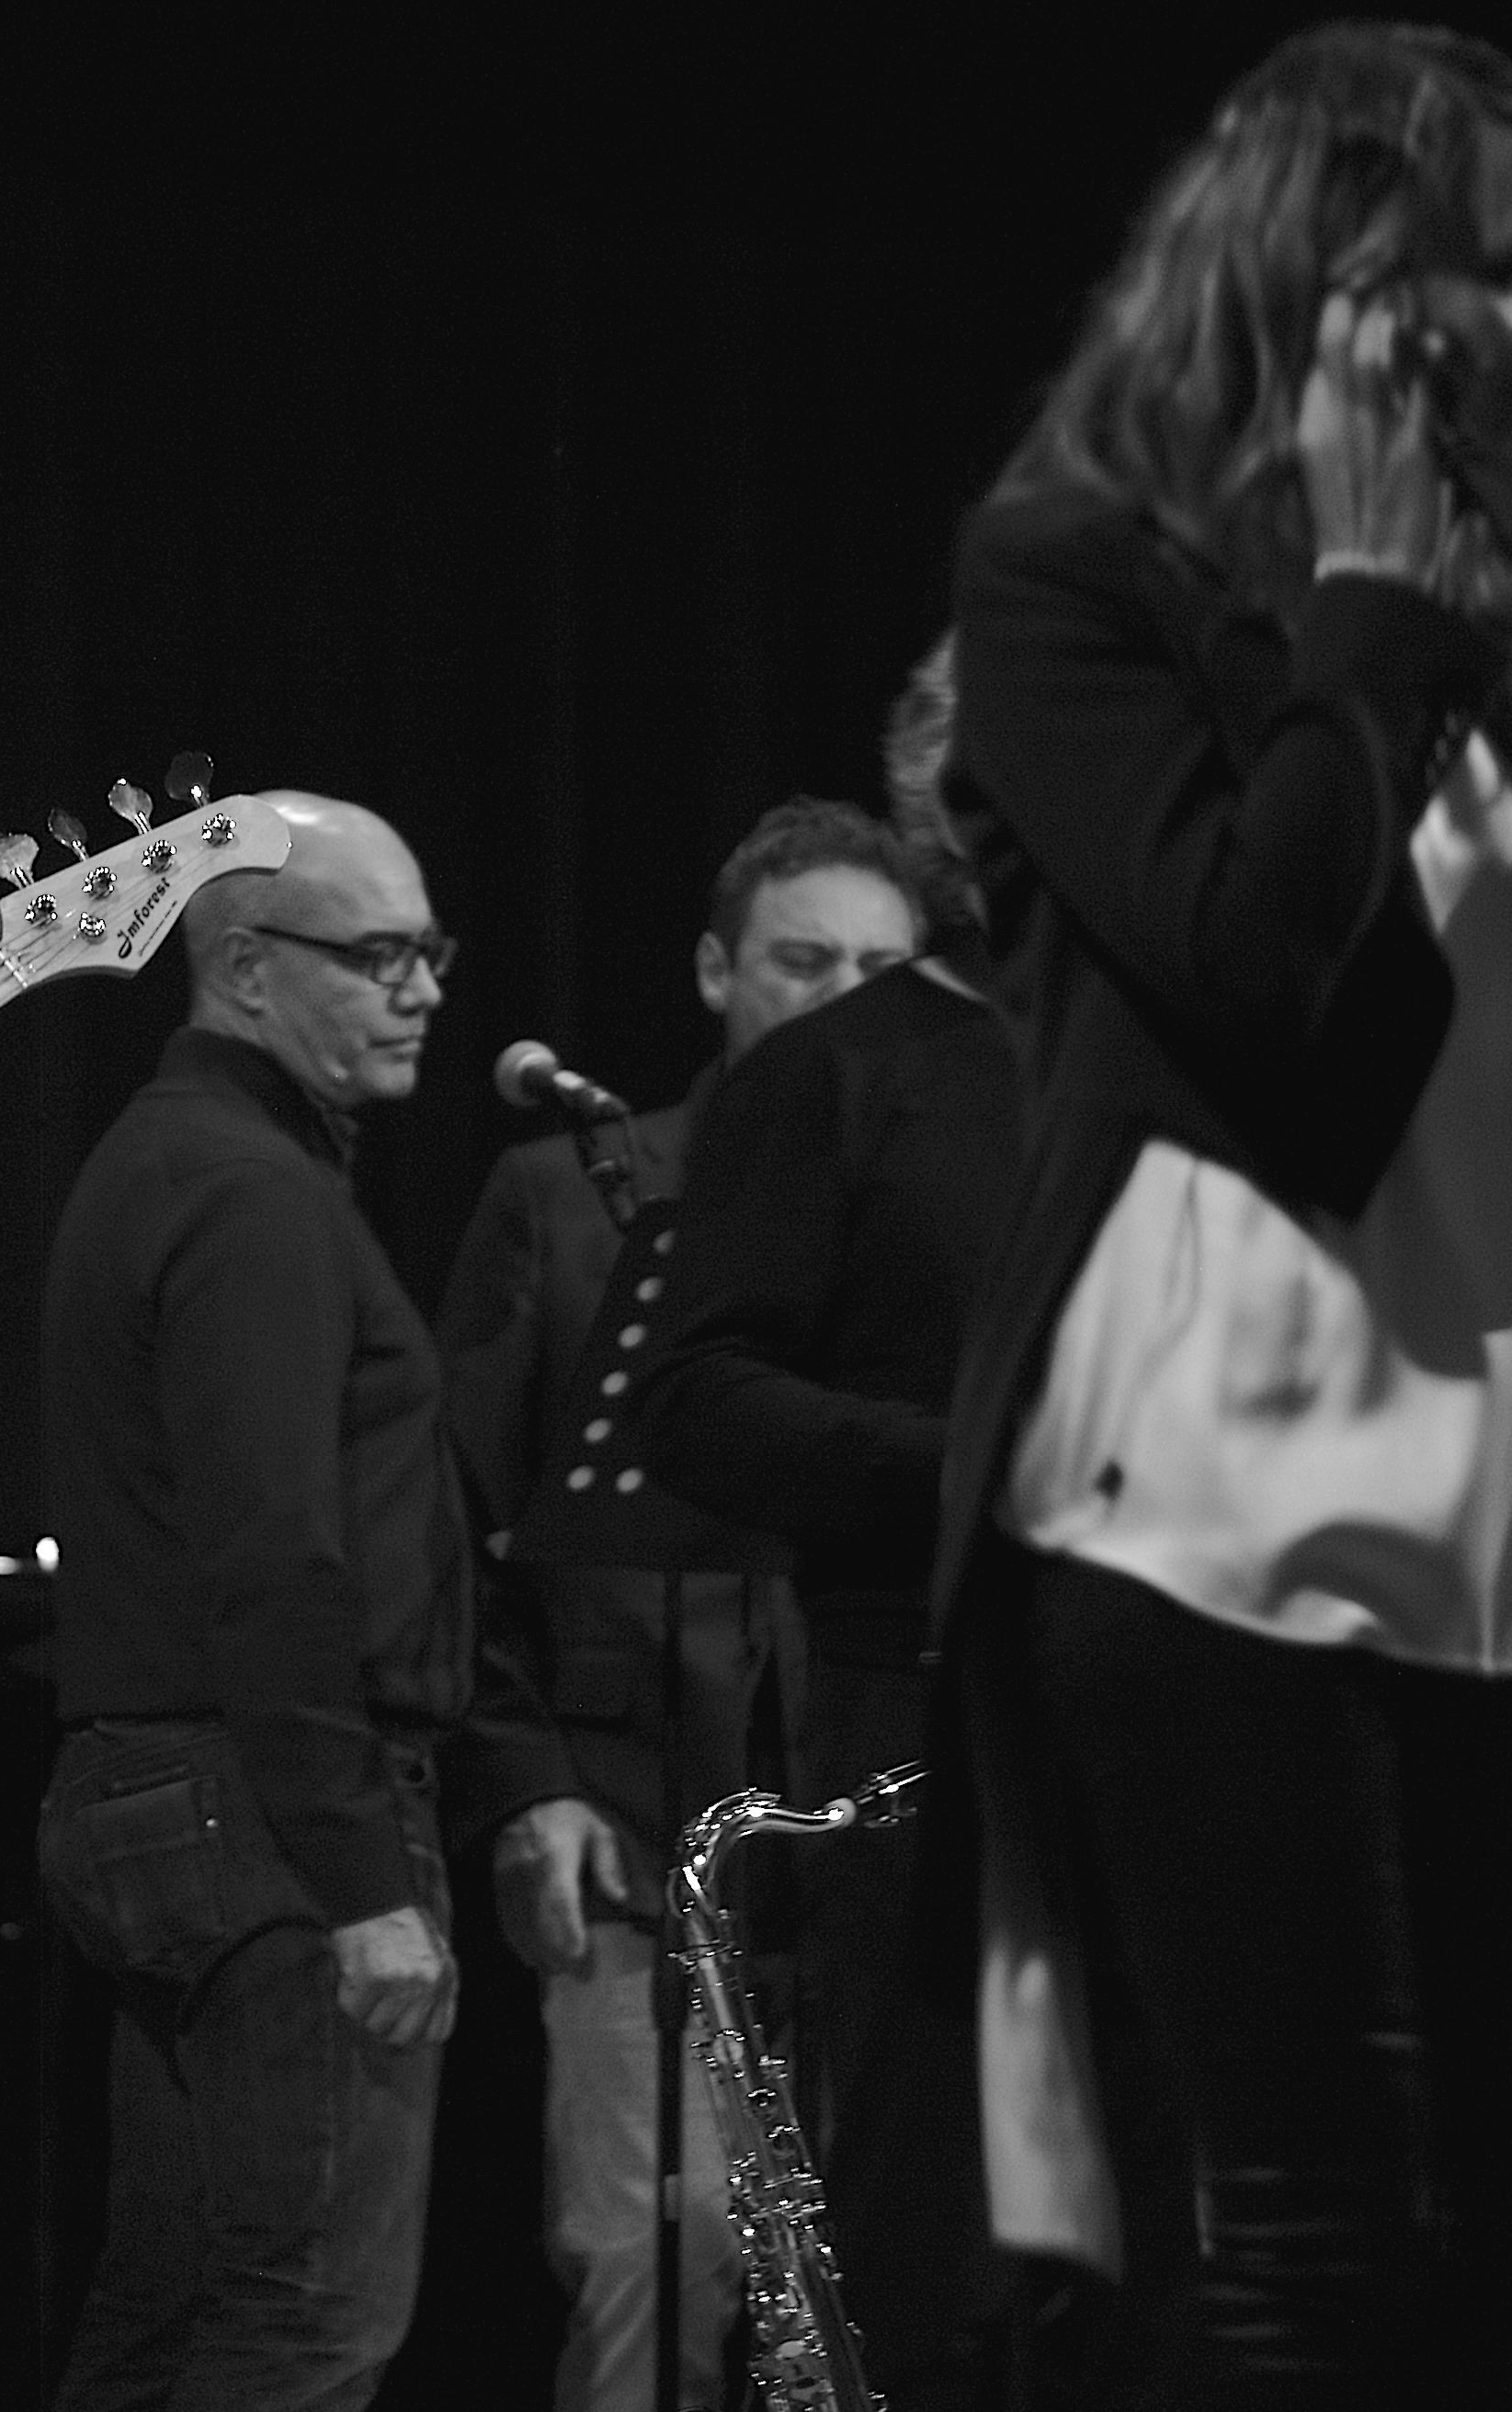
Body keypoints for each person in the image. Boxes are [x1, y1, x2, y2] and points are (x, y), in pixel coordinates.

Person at [931, 28, 1512, 2406]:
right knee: (1318, 2252)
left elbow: (1482, 1065)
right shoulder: (1075, 578)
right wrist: (1361, 606)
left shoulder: (1492, 617)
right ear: (1339, 274)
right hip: (1210, 1502)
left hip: (1481, 1515)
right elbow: (1256, 969)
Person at [35, 790, 603, 2412]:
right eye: (377, 957)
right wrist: (363, 1882)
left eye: (431, 953)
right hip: (268, 1818)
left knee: (174, 2320)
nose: (422, 992)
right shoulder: (248, 1190)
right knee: (304, 2329)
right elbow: (278, 1556)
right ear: (245, 968)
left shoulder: (181, 1159)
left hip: (168, 1796)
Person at [436, 792, 929, 2412]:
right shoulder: (571, 1192)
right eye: (804, 962)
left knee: (877, 2286)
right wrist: (526, 1784)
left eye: (881, 971)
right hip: (636, 1827)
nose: (843, 1001)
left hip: (866, 1826)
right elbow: (456, 1518)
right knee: (662, 2256)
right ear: (719, 972)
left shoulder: (931, 1207)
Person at [626, 662, 1032, 2411]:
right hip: (929, 1724)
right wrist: (984, 1464)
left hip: (1182, 1709)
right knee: (946, 2251)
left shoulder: (1161, 1061)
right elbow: (696, 1398)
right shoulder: (833, 1077)